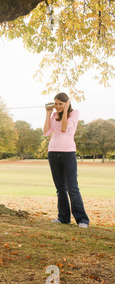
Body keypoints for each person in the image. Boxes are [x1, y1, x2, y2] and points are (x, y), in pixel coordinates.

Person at [43, 92, 89, 228]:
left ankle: (82, 220)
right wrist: (48, 114)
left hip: (68, 153)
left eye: (60, 104)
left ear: (67, 103)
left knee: (72, 188)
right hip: (53, 153)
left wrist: (65, 109)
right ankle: (63, 218)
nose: (57, 106)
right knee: (60, 188)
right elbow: (46, 132)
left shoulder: (74, 113)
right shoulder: (53, 115)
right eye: (55, 103)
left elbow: (64, 128)